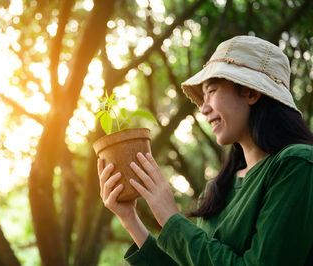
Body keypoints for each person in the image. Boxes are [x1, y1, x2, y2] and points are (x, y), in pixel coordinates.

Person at [97, 35, 313, 265]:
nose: (204, 108)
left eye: (211, 91)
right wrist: (130, 218)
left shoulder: (296, 165)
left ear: (251, 93)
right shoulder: (218, 188)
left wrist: (170, 217)